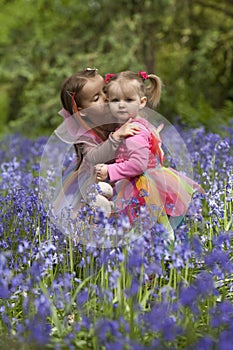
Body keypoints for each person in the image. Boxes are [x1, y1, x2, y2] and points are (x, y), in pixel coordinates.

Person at [95, 70, 205, 240]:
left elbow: (138, 165)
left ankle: (165, 252)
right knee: (151, 224)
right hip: (143, 181)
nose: (121, 105)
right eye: (115, 100)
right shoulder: (136, 124)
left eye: (128, 100)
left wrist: (110, 171)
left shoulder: (134, 133)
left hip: (142, 184)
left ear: (142, 102)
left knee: (147, 227)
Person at [54, 68, 140, 217]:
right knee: (99, 214)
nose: (106, 98)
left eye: (105, 91)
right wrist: (116, 137)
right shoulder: (85, 135)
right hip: (96, 181)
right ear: (83, 111)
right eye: (96, 98)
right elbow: (94, 157)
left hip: (122, 171)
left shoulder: (116, 114)